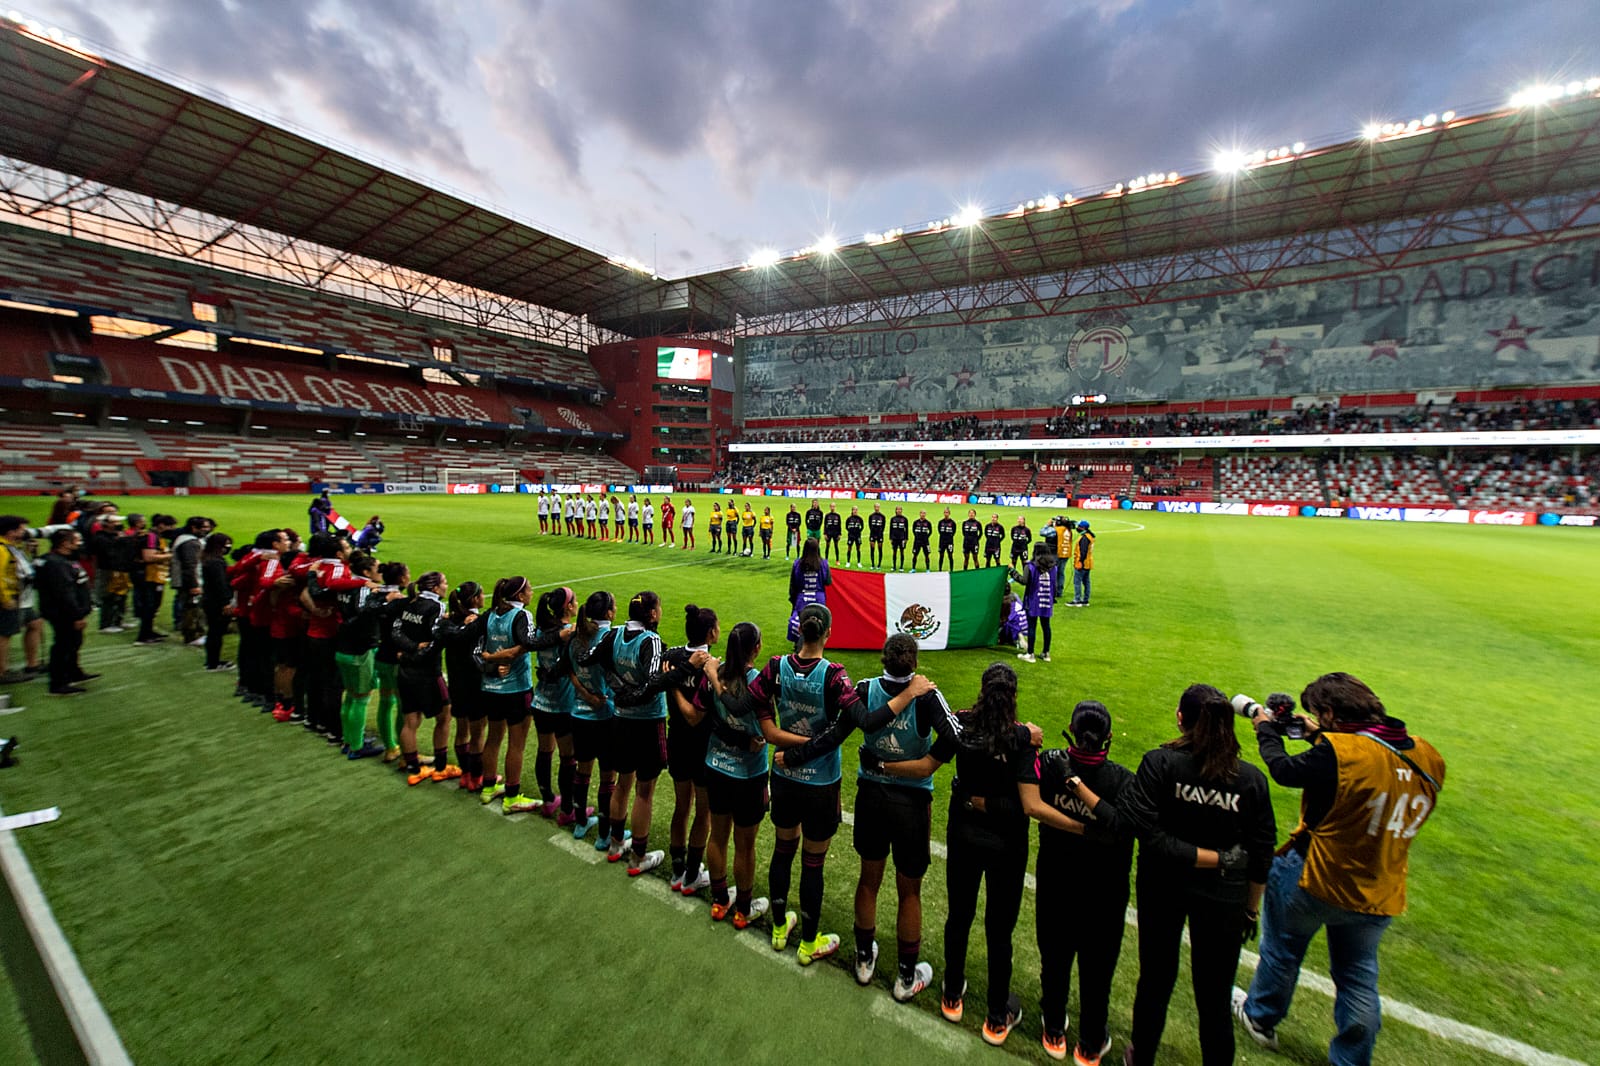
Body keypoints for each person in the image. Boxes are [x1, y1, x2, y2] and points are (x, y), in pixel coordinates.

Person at [1234, 674, 1445, 1066]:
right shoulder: (1428, 755)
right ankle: (1351, 1058)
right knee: (1358, 975)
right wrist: (1317, 733)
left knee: (1281, 952)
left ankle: (1261, 1017)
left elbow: (1284, 769)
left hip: (1318, 874)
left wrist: (1265, 728)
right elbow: (1371, 765)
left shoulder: (1339, 752)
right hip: (1380, 885)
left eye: (1318, 714)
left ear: (1331, 713)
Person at [1121, 683, 1276, 1066]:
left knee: (1155, 981)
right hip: (1224, 896)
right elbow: (1261, 855)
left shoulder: (1160, 763)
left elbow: (1147, 834)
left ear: (1180, 718)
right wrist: (1249, 905)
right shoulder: (1251, 780)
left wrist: (1206, 858)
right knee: (1215, 993)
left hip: (1163, 887)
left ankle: (1141, 1056)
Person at [839, 635, 956, 1003]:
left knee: (868, 879)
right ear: (915, 663)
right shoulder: (927, 695)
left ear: (882, 659)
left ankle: (863, 959)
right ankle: (906, 975)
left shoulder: (864, 689)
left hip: (872, 796)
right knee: (910, 891)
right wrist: (926, 765)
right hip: (911, 801)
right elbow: (954, 736)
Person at [1019, 701, 1137, 1064]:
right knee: (1097, 967)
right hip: (1105, 892)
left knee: (1054, 957)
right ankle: (1090, 1043)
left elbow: (1032, 802)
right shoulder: (1123, 780)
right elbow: (1126, 827)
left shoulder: (1050, 763)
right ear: (1109, 738)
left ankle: (1053, 1028)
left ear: (1070, 728)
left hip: (1057, 881)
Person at [938, 662, 1042, 1046]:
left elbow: (939, 754)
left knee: (959, 916)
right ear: (1013, 696)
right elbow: (1026, 805)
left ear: (983, 691)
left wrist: (973, 800)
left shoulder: (964, 725)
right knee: (1000, 930)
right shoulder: (1022, 740)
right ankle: (997, 1018)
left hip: (964, 835)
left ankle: (951, 995)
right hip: (1007, 845)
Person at [577, 591, 705, 873]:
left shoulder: (615, 634)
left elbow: (587, 658)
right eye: (659, 607)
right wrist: (687, 667)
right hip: (647, 722)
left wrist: (617, 685)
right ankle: (638, 856)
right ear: (652, 614)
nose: (660, 611)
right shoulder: (651, 640)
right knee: (644, 791)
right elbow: (653, 683)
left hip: (620, 720)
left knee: (622, 783)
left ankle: (614, 844)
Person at [693, 621, 771, 927]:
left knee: (719, 835)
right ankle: (743, 909)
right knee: (745, 844)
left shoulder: (716, 674)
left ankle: (719, 900)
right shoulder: (760, 683)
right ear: (756, 648)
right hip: (748, 774)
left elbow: (703, 716)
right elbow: (768, 728)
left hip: (716, 765)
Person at [475, 576, 544, 813]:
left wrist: (492, 660)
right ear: (520, 595)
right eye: (529, 589)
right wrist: (503, 656)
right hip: (516, 688)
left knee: (493, 738)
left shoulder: (492, 613)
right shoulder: (522, 615)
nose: (532, 592)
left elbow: (479, 645)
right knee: (517, 744)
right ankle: (512, 795)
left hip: (491, 688)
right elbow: (529, 642)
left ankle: (488, 787)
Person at [391, 571, 460, 785]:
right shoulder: (436, 607)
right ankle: (440, 766)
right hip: (428, 671)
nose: (447, 586)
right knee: (445, 715)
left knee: (411, 720)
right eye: (445, 582)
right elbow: (436, 639)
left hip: (405, 669)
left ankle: (413, 768)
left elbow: (396, 631)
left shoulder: (409, 603)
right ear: (436, 587)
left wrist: (408, 651)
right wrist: (417, 653)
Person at [667, 604, 718, 893]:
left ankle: (678, 870)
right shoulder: (711, 666)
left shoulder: (673, 657)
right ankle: (691, 874)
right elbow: (697, 714)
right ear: (711, 633)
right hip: (702, 745)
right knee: (703, 811)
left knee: (681, 806)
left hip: (677, 740)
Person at [332, 551, 398, 758]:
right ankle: (357, 746)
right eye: (377, 568)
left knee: (350, 696)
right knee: (361, 697)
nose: (381, 572)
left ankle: (349, 739)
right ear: (366, 571)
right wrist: (384, 600)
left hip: (343, 648)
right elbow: (364, 616)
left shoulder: (347, 587)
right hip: (359, 650)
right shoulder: (362, 590)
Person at [568, 591, 620, 845]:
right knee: (607, 776)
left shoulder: (575, 636)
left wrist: (583, 694)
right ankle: (604, 833)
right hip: (605, 714)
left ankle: (580, 822)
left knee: (583, 769)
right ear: (609, 613)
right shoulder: (610, 638)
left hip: (579, 713)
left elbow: (568, 669)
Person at [36, 529, 94, 696]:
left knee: (74, 642)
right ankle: (58, 683)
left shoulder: (58, 560)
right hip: (64, 613)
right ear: (65, 544)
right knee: (64, 645)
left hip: (66, 610)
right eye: (76, 541)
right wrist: (76, 615)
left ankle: (73, 672)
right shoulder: (57, 564)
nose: (79, 543)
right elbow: (64, 593)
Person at [440, 582, 487, 786]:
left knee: (462, 729)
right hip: (475, 681)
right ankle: (476, 777)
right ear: (475, 599)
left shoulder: (449, 621)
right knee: (477, 733)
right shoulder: (477, 622)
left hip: (456, 680)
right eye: (482, 594)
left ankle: (465, 774)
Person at [0, 517, 44, 683]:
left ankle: (32, 664)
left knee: (35, 624)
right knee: (4, 634)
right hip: (9, 597)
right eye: (21, 529)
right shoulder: (2, 549)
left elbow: (20, 569)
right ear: (11, 532)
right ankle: (2, 672)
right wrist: (5, 599)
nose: (24, 532)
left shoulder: (12, 547)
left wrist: (29, 552)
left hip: (21, 596)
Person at [132, 514, 175, 645]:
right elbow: (148, 557)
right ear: (161, 525)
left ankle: (148, 631)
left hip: (153, 575)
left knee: (153, 605)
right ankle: (143, 636)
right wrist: (172, 555)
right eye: (170, 526)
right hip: (148, 575)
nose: (172, 529)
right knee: (149, 605)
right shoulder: (150, 537)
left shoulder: (154, 536)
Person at [1011, 543, 1058, 664]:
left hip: (1033, 600)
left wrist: (1012, 571)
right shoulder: (1054, 567)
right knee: (1046, 626)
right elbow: (1054, 584)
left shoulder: (1030, 566)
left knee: (1032, 626)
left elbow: (1023, 581)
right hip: (1047, 600)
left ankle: (1030, 654)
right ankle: (1046, 653)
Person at [169, 516, 210, 644]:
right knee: (192, 608)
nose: (206, 530)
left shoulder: (183, 539)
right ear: (194, 528)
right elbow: (190, 565)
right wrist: (194, 584)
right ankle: (193, 636)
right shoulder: (190, 543)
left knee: (191, 608)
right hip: (189, 582)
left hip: (184, 580)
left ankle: (193, 634)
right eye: (203, 527)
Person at [199, 533, 235, 672]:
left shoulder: (208, 559)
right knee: (216, 632)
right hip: (216, 602)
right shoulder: (216, 562)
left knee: (214, 632)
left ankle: (212, 661)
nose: (228, 547)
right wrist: (226, 602)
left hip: (210, 600)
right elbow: (220, 584)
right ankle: (213, 663)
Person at [787, 539, 831, 647]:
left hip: (802, 598)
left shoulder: (798, 563)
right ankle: (816, 646)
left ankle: (798, 645)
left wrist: (793, 599)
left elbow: (794, 583)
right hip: (818, 599)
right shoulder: (823, 564)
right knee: (818, 623)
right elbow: (828, 581)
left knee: (801, 622)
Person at [1069, 520, 1095, 607]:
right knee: (1086, 582)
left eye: (1079, 526)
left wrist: (1080, 562)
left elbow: (1083, 552)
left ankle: (1077, 600)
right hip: (1088, 563)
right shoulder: (1090, 536)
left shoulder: (1084, 538)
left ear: (1083, 528)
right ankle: (1085, 600)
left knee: (1077, 582)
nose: (1077, 528)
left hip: (1082, 563)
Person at [889, 506, 909, 571]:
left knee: (902, 552)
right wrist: (890, 538)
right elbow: (891, 529)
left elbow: (906, 530)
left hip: (902, 538)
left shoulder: (904, 519)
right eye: (898, 509)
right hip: (894, 538)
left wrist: (906, 539)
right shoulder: (893, 519)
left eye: (900, 509)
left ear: (901, 511)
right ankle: (894, 566)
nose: (899, 511)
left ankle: (901, 567)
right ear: (896, 510)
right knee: (894, 552)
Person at [867, 503, 886, 569]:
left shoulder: (882, 516)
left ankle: (879, 565)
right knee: (872, 549)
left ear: (879, 507)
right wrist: (872, 531)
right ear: (874, 507)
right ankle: (872, 564)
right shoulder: (871, 516)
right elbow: (869, 525)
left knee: (880, 549)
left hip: (880, 534)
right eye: (875, 507)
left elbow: (883, 526)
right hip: (872, 534)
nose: (877, 508)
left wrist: (880, 532)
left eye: (878, 507)